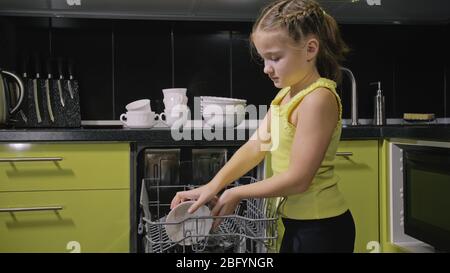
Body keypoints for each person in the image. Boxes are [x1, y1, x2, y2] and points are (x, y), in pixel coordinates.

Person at [170, 0, 355, 253]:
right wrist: (213, 186)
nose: (267, 69)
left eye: (275, 58)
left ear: (310, 49)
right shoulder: (285, 96)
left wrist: (236, 193)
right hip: (295, 222)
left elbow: (299, 180)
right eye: (263, 59)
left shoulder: (318, 99)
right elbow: (257, 146)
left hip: (321, 226)